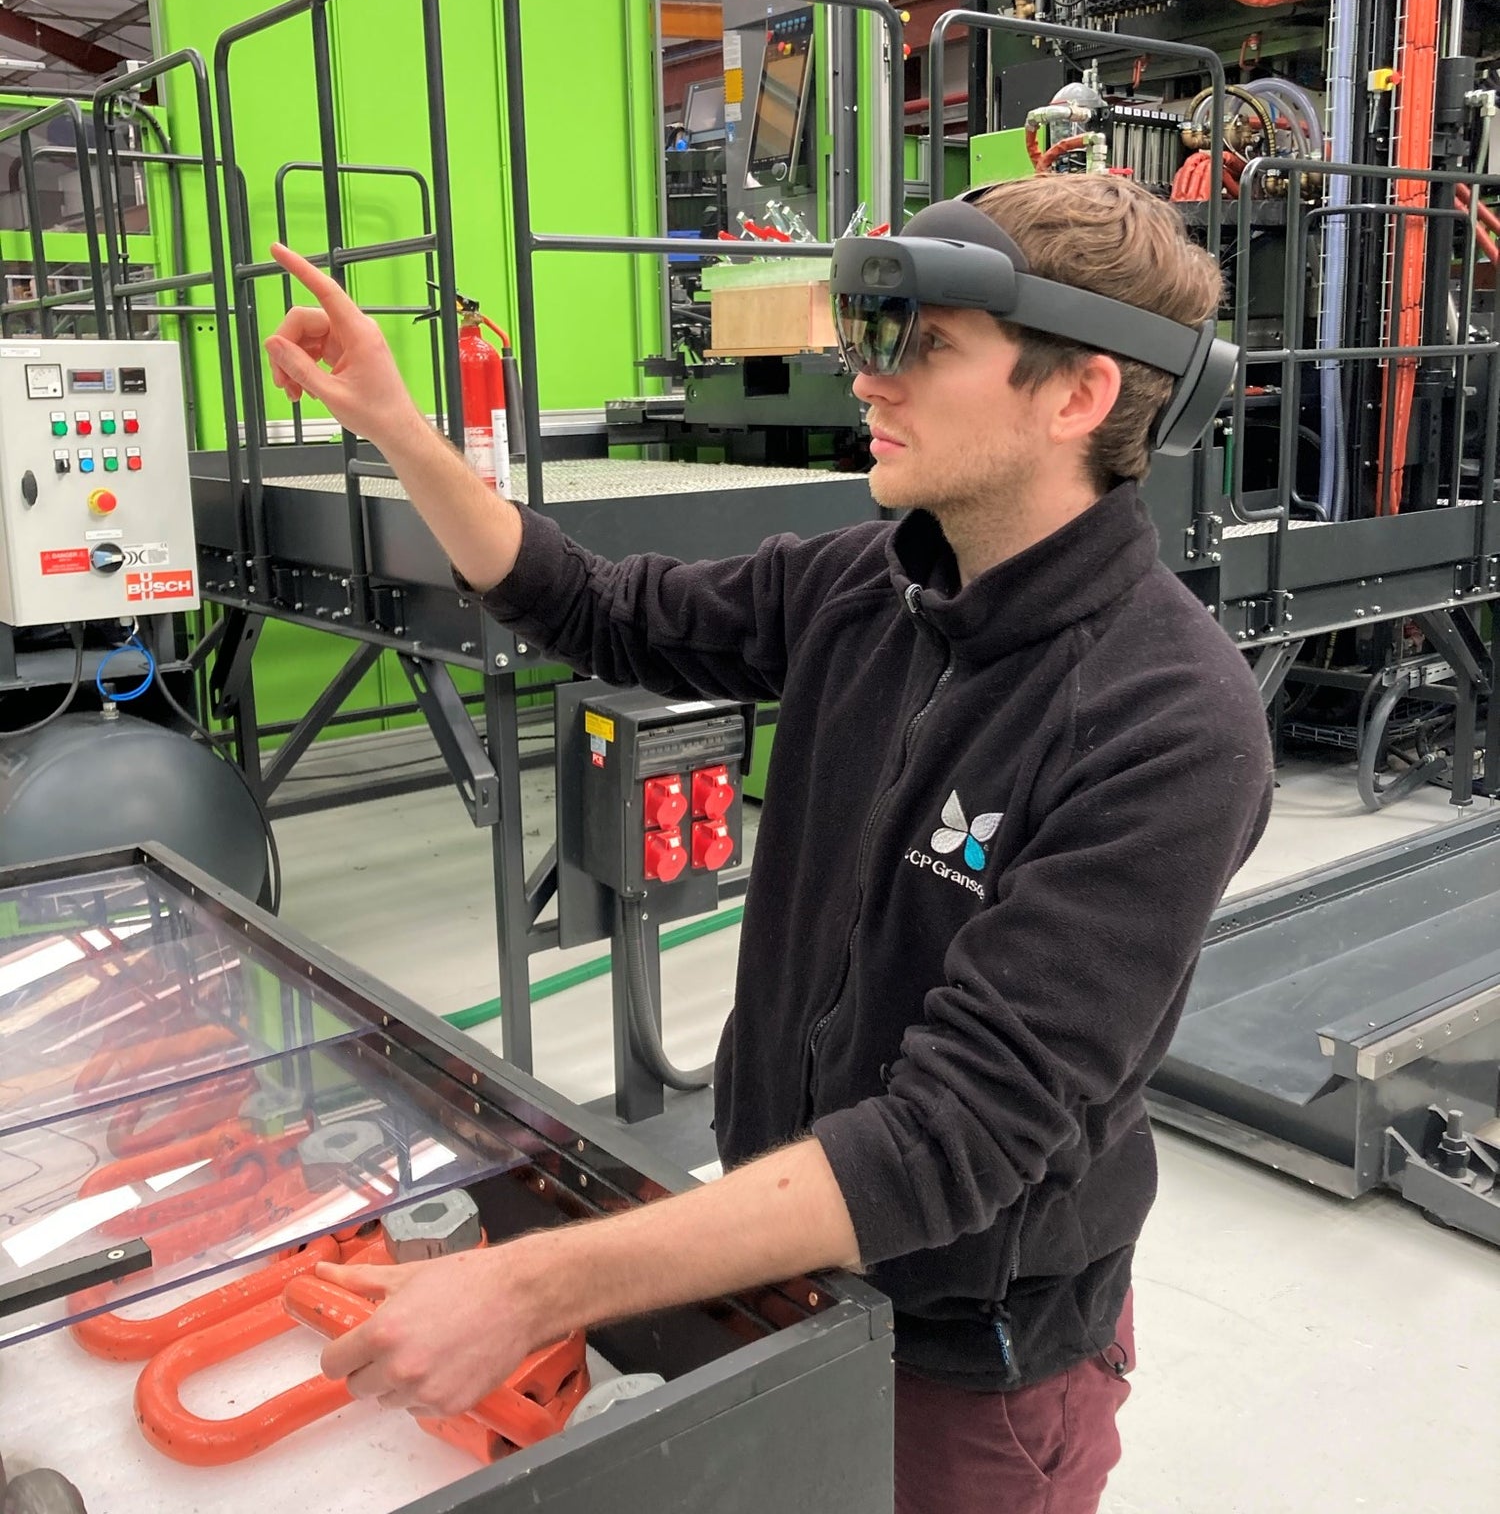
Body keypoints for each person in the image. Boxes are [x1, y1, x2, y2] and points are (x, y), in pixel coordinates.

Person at [265, 172, 1273, 1514]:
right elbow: (598, 609)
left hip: (970, 1364)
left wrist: (525, 1284)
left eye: (923, 345)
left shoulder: (1172, 719)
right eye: (870, 336)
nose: (869, 379)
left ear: (1078, 394)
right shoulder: (869, 586)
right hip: (786, 1274)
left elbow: (945, 1140)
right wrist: (396, 424)